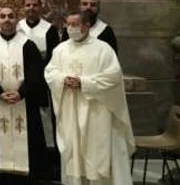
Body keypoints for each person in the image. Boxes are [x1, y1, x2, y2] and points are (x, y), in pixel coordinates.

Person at [45, 10, 133, 185]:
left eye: (75, 25)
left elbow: (113, 76)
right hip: (70, 107)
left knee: (96, 150)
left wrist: (84, 83)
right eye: (68, 25)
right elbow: (50, 72)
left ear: (86, 26)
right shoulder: (61, 49)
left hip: (96, 110)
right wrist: (62, 80)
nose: (71, 29)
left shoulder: (103, 49)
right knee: (74, 150)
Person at [0, 7, 47, 183]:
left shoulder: (28, 45)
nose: (7, 20)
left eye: (11, 16)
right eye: (3, 17)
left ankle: (28, 174)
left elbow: (36, 73)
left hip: (24, 101)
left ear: (17, 20)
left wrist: (22, 93)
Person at [17, 0, 58, 152]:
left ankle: (48, 152)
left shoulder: (49, 29)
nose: (31, 8)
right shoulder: (18, 27)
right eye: (28, 5)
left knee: (45, 119)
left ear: (40, 6)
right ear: (23, 7)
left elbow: (54, 56)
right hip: (21, 80)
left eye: (34, 5)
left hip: (43, 81)